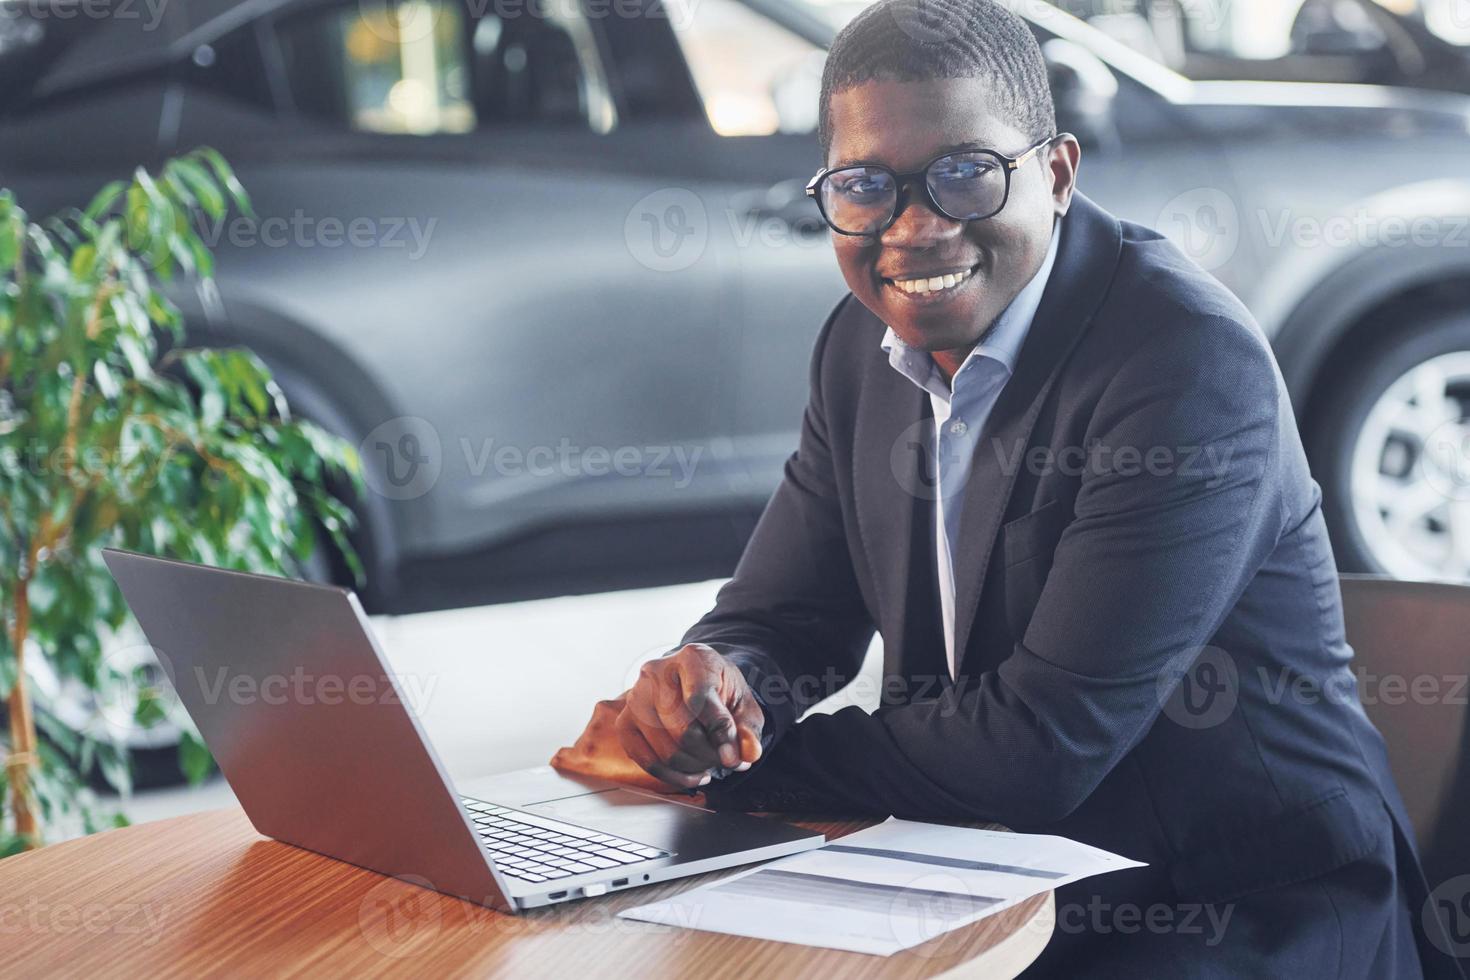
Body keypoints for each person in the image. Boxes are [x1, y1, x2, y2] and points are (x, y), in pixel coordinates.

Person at [553, 0, 1461, 973]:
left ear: (1058, 172)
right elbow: (784, 618)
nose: (914, 227)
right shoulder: (862, 346)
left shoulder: (1187, 367)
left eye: (964, 175)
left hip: (1234, 900)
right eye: (866, 186)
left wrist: (743, 776)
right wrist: (714, 701)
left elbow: (1043, 744)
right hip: (987, 866)